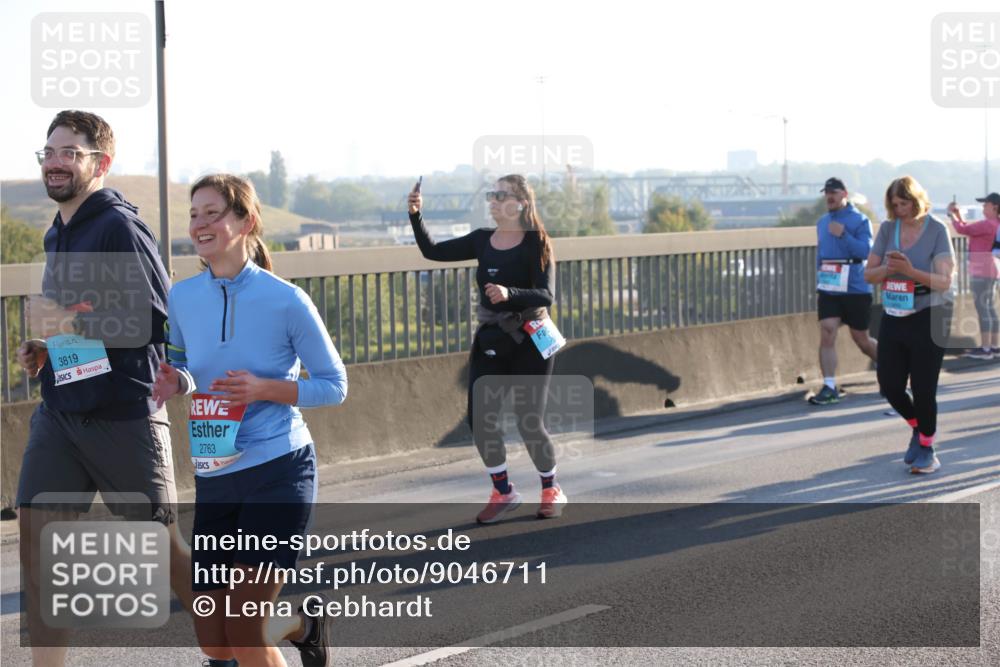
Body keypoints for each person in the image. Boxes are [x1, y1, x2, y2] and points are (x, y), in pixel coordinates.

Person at [15, 110, 193, 667]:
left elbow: (153, 316)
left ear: (101, 163)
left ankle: (286, 626)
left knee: (166, 558)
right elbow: (79, 319)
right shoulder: (57, 230)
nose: (56, 162)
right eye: (49, 152)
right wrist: (45, 350)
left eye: (70, 152)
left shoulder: (118, 226)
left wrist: (70, 327)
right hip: (62, 410)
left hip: (122, 414)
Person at [407, 174, 568, 524]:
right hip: (493, 338)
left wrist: (511, 294)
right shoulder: (482, 240)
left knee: (529, 421)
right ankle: (503, 490)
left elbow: (546, 295)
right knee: (481, 419)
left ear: (520, 203)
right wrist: (416, 216)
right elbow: (433, 251)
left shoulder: (536, 242)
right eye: (491, 195)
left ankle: (550, 488)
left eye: (500, 195)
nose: (492, 200)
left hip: (532, 337)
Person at [865, 176, 955, 474]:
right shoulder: (889, 229)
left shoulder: (938, 230)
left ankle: (928, 448)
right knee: (889, 385)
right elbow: (869, 275)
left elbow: (944, 281)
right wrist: (887, 269)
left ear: (916, 200)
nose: (899, 209)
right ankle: (919, 427)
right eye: (894, 204)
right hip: (895, 311)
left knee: (923, 387)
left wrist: (910, 270)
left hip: (932, 312)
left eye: (903, 203)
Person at [809, 177, 878, 405]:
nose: (829, 196)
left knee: (862, 339)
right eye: (826, 192)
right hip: (830, 285)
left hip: (856, 286)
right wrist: (821, 269)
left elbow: (865, 252)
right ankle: (829, 386)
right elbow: (821, 250)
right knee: (827, 331)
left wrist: (843, 234)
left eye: (834, 192)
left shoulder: (860, 220)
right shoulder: (821, 222)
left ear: (844, 194)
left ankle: (890, 369)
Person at [947, 192, 1000, 359]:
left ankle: (985, 349)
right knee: (990, 308)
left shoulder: (987, 224)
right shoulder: (995, 224)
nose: (983, 207)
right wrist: (957, 214)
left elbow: (962, 229)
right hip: (992, 269)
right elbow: (968, 229)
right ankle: (994, 346)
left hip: (981, 270)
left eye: (985, 204)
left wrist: (951, 215)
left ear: (995, 207)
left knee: (982, 308)